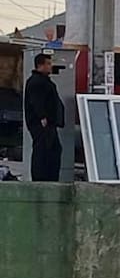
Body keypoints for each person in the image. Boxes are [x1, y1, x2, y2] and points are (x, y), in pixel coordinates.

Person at [23, 54, 64, 182]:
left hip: (49, 123)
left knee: (54, 150)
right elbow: (36, 101)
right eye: (48, 64)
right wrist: (42, 117)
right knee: (42, 151)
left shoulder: (44, 81)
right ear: (40, 65)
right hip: (41, 124)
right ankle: (40, 178)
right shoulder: (36, 82)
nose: (51, 66)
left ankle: (50, 178)